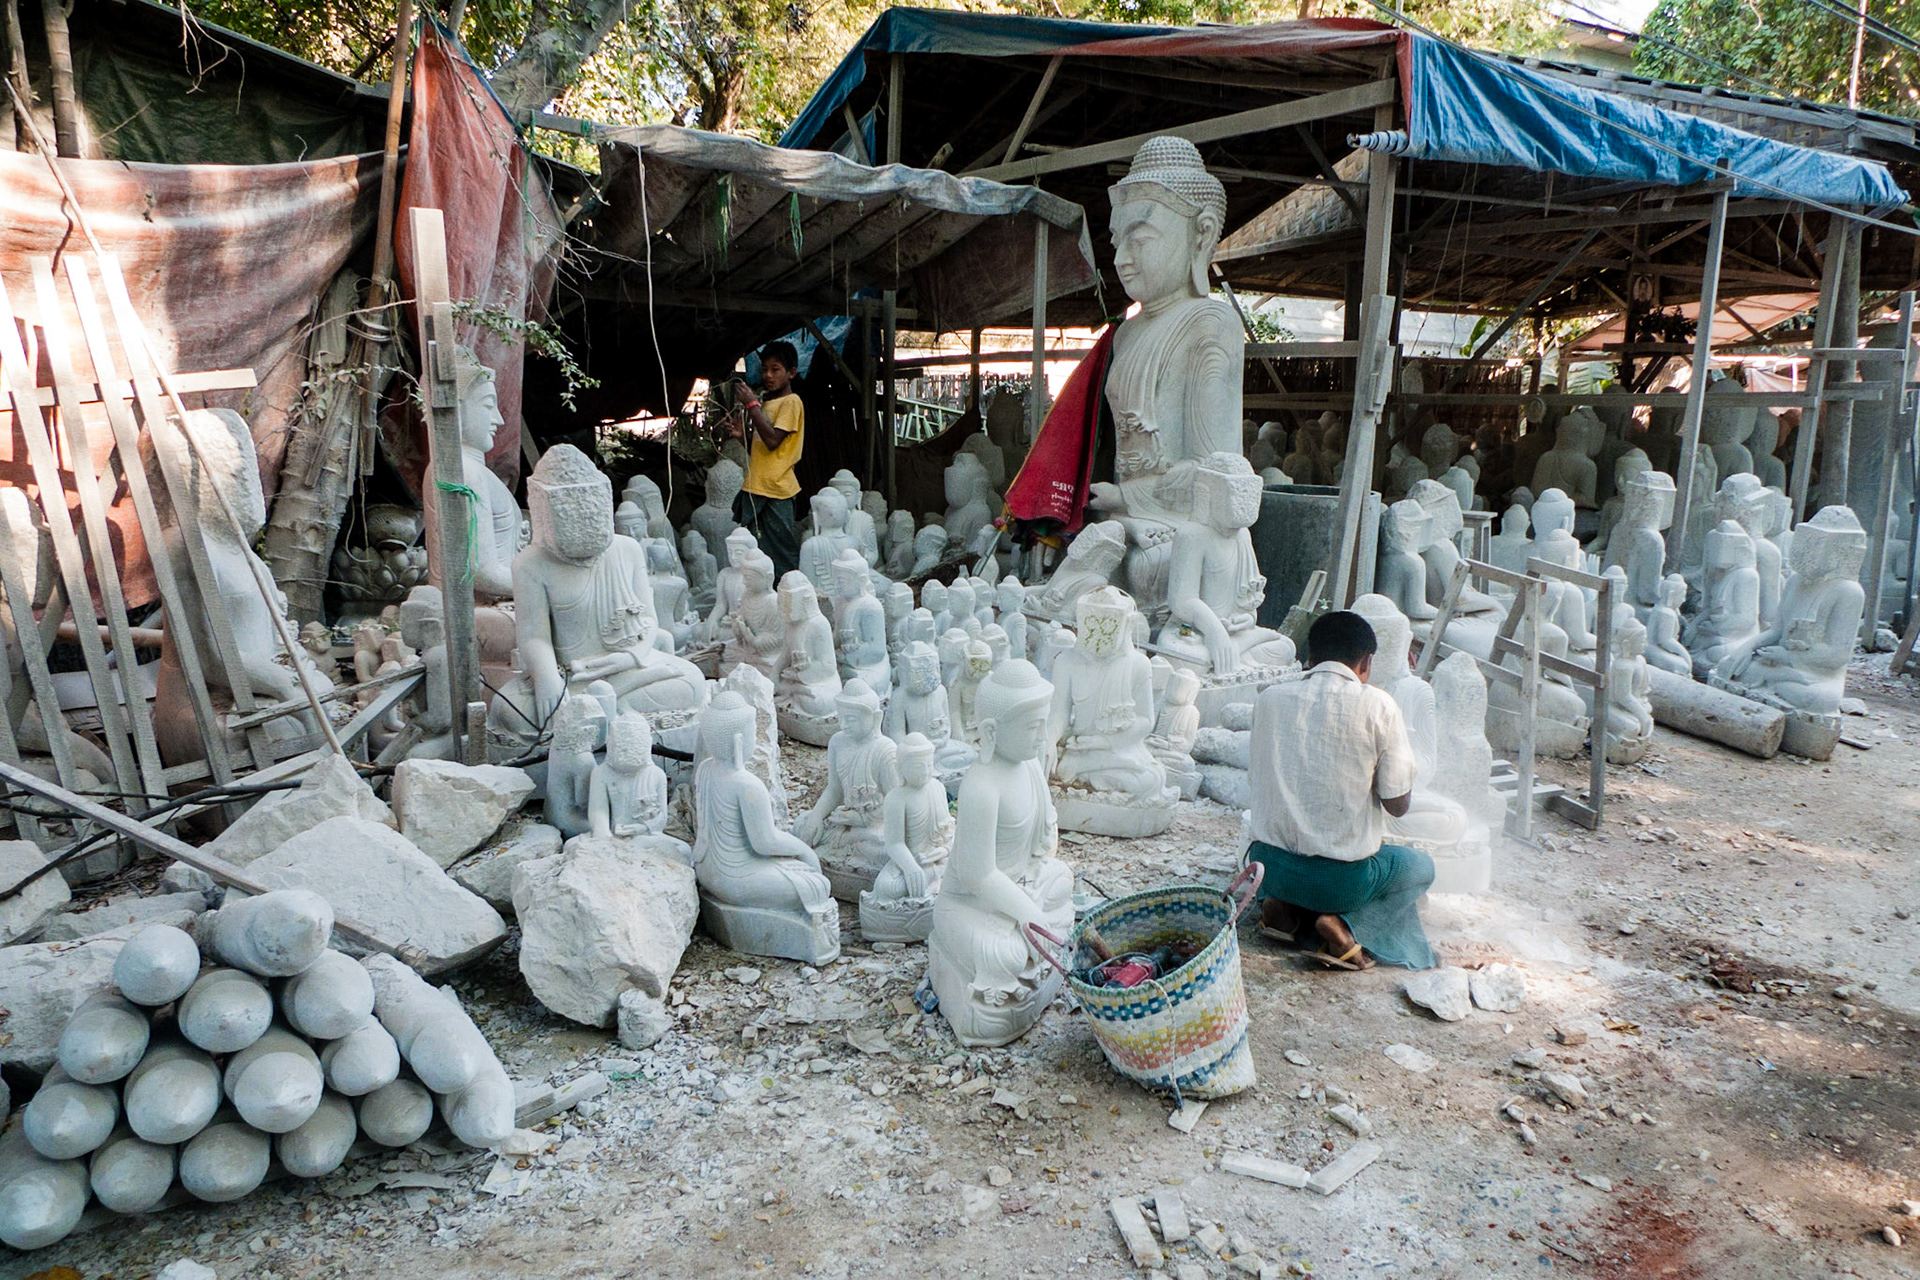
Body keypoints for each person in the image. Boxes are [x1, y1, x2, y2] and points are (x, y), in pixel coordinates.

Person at [1244, 610, 1436, 971]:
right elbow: (1398, 805)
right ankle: (1345, 925)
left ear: (1310, 657)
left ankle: (1281, 910)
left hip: (1267, 867)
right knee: (1420, 867)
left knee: (1298, 858)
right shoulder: (1379, 704)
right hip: (1340, 883)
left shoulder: (1269, 698)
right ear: (1366, 662)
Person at [727, 341, 806, 580]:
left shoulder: (792, 402)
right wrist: (744, 438)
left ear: (791, 372)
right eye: (764, 370)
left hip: (777, 490)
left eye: (775, 369)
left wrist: (751, 405)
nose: (768, 375)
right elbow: (761, 449)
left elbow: (773, 441)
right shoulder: (768, 404)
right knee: (754, 554)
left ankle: (788, 597)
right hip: (756, 487)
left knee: (781, 555)